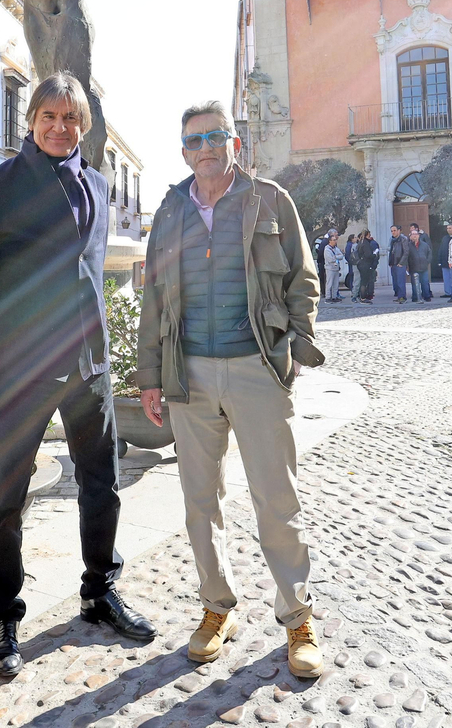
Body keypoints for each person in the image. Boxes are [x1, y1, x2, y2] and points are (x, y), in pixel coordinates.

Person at [0, 72, 156, 677]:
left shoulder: (98, 183)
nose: (58, 127)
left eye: (70, 119)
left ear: (83, 127)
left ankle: (100, 590)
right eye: (48, 116)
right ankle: (3, 614)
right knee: (5, 501)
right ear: (30, 121)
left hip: (90, 367)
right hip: (22, 369)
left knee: (102, 486)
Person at [134, 101, 326, 679]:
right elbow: (153, 299)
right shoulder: (170, 209)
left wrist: (295, 345)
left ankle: (297, 618)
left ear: (234, 143)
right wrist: (149, 377)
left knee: (277, 501)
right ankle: (217, 608)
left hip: (257, 369)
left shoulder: (270, 199)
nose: (206, 148)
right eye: (194, 141)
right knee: (199, 502)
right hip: (189, 373)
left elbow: (303, 279)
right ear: (184, 151)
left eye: (216, 137)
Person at [352, 230, 380, 302]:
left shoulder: (360, 243)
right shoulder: (365, 243)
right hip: (365, 264)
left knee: (363, 281)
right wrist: (374, 254)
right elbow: (368, 255)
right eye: (369, 235)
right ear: (367, 235)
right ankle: (363, 298)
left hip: (361, 264)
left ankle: (362, 297)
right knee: (364, 282)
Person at [406, 227, 433, 303]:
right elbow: (406, 256)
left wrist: (427, 261)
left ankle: (427, 296)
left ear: (419, 235)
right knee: (414, 284)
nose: (414, 236)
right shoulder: (408, 245)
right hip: (413, 267)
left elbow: (429, 253)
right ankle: (416, 297)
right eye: (413, 234)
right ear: (410, 236)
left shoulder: (425, 245)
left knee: (425, 282)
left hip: (424, 266)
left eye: (416, 234)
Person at [387, 225, 409, 303]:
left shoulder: (403, 239)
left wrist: (401, 263)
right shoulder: (392, 240)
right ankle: (399, 296)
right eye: (392, 231)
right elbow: (391, 251)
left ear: (399, 231)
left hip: (400, 263)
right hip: (393, 263)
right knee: (395, 282)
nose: (393, 232)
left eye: (394, 230)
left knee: (401, 281)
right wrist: (390, 262)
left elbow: (406, 252)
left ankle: (402, 297)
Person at [323, 234, 345, 302]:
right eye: (334, 240)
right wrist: (336, 256)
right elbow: (330, 259)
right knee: (329, 284)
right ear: (330, 241)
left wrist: (335, 256)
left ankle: (334, 297)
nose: (335, 241)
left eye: (336, 240)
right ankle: (328, 297)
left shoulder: (336, 248)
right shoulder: (327, 249)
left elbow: (341, 256)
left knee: (336, 284)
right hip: (330, 268)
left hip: (336, 268)